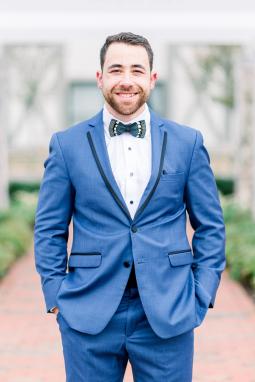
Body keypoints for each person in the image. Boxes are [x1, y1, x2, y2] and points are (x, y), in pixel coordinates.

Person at [34, 32, 226, 382]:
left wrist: (202, 294)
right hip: (88, 313)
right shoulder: (66, 145)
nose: (126, 80)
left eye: (137, 70)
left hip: (169, 312)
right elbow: (49, 228)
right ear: (100, 77)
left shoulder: (187, 142)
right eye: (116, 69)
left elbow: (211, 225)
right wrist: (56, 295)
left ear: (152, 78)